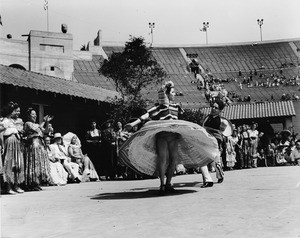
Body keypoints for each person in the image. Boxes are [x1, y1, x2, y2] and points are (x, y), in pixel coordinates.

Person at [120, 81, 219, 195]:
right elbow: (146, 115)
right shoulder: (159, 107)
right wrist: (133, 124)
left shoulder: (176, 107)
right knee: (163, 160)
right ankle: (162, 183)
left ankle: (168, 183)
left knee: (173, 161)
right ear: (166, 94)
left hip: (174, 136)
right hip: (162, 136)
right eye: (172, 92)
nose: (174, 94)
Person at [23, 108, 52, 191]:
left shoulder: (37, 124)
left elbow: (45, 131)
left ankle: (37, 182)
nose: (35, 116)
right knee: (33, 163)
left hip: (39, 144)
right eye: (33, 114)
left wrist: (47, 122)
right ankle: (31, 183)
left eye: (35, 114)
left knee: (38, 163)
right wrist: (43, 121)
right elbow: (36, 129)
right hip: (32, 145)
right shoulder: (28, 123)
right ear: (28, 116)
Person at [0, 102, 25, 194]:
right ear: (10, 112)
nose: (16, 112)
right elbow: (1, 134)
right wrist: (2, 145)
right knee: (10, 163)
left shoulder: (12, 121)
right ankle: (8, 186)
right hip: (9, 143)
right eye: (14, 110)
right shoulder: (4, 121)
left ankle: (16, 185)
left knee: (17, 163)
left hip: (16, 144)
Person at [200, 100, 226, 187]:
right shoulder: (208, 117)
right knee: (207, 160)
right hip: (208, 141)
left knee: (211, 160)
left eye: (216, 108)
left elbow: (208, 129)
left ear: (220, 110)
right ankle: (210, 178)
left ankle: (214, 177)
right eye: (213, 107)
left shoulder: (218, 120)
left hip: (214, 141)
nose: (213, 108)